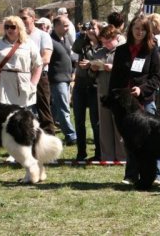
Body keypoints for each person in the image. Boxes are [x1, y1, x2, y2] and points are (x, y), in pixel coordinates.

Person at [109, 14, 160, 185]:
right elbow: (115, 77)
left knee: (152, 140)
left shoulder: (152, 49)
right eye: (137, 28)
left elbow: (157, 77)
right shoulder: (121, 50)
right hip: (126, 104)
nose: (139, 32)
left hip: (145, 101)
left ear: (148, 32)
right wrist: (114, 98)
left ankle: (157, 175)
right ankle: (131, 175)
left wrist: (142, 89)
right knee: (131, 139)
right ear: (131, 29)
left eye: (143, 29)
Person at [0, 16, 42, 109]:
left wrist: (33, 84)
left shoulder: (29, 43)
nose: (9, 29)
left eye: (12, 27)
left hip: (24, 83)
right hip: (5, 84)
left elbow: (38, 65)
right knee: (6, 114)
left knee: (24, 115)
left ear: (20, 28)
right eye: (6, 27)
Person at [18, 8, 55, 134]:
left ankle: (49, 141)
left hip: (39, 77)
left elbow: (46, 58)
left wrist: (28, 68)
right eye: (20, 18)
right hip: (21, 78)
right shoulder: (17, 37)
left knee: (43, 110)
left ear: (33, 18)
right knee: (22, 110)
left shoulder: (42, 35)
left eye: (24, 18)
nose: (21, 21)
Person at [93, 25, 126, 162]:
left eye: (108, 42)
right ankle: (107, 156)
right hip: (102, 92)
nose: (105, 45)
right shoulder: (99, 52)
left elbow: (128, 70)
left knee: (119, 125)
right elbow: (92, 76)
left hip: (118, 93)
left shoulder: (123, 51)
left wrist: (113, 68)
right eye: (103, 42)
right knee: (105, 125)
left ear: (115, 37)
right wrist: (93, 68)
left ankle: (122, 156)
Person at [71, 19, 102, 161]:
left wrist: (90, 64)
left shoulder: (102, 45)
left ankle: (99, 152)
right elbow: (74, 50)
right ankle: (81, 153)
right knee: (79, 121)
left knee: (95, 121)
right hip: (80, 85)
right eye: (88, 28)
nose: (90, 30)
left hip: (94, 86)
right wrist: (82, 34)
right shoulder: (83, 43)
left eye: (93, 28)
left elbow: (104, 62)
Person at [50, 15, 77, 145]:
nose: (67, 28)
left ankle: (47, 131)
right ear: (56, 26)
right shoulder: (49, 40)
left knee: (55, 109)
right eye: (65, 25)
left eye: (68, 25)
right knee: (63, 108)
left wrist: (73, 71)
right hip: (56, 79)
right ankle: (71, 136)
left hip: (66, 78)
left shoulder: (66, 39)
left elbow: (70, 56)